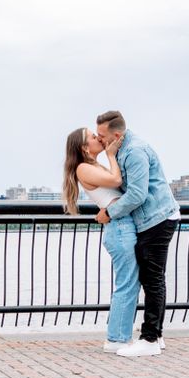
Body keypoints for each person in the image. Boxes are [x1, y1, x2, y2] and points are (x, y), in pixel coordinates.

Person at [94, 110, 180, 357]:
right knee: (151, 278)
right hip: (150, 220)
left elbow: (137, 195)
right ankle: (157, 335)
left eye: (102, 136)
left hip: (158, 218)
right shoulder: (119, 150)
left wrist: (109, 213)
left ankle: (150, 339)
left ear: (116, 135)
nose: (99, 139)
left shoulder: (134, 152)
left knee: (153, 279)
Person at [62, 126, 140, 353]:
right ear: (84, 148)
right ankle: (116, 339)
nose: (98, 138)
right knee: (126, 284)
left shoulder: (92, 166)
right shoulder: (84, 168)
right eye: (93, 137)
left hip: (121, 225)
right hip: (119, 227)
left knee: (129, 283)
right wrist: (111, 155)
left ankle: (120, 336)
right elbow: (116, 181)